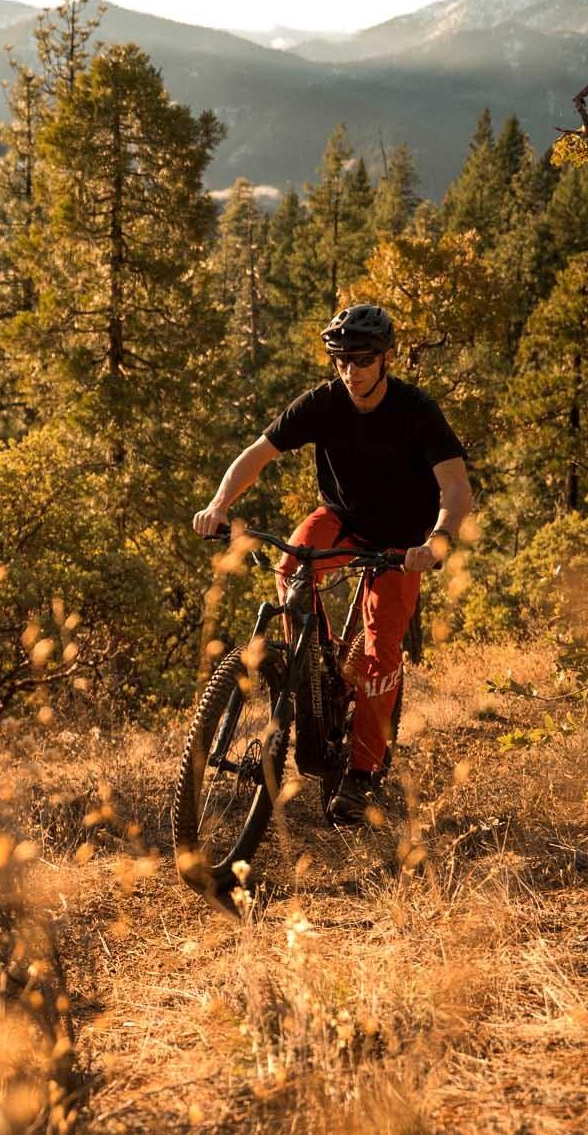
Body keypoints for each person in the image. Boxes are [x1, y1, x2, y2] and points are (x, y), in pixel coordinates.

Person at [192, 303, 472, 824]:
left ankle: (363, 774)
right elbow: (258, 452)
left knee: (380, 650)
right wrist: (218, 505)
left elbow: (455, 485)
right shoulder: (323, 403)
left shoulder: (415, 410)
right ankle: (317, 666)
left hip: (402, 541)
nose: (351, 371)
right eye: (342, 360)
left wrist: (437, 539)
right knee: (290, 567)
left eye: (363, 360)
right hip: (341, 519)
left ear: (385, 358)